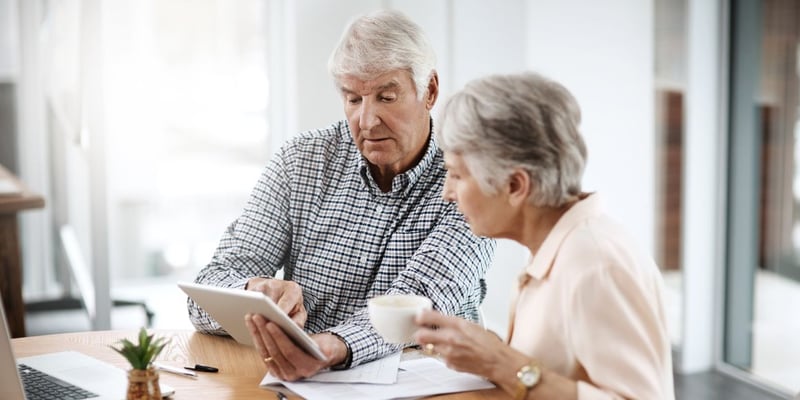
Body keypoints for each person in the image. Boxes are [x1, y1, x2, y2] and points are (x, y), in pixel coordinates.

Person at [187, 10, 495, 381]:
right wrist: (254, 293)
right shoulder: (301, 162)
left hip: (427, 385)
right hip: (308, 384)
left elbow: (417, 308)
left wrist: (330, 348)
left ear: (429, 91)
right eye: (353, 99)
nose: (366, 120)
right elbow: (207, 293)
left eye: (386, 97)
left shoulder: (469, 176)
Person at [413, 72, 674, 399]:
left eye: (456, 174)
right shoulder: (557, 248)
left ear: (515, 186)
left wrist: (501, 363)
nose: (446, 193)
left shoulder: (596, 264)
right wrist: (488, 354)